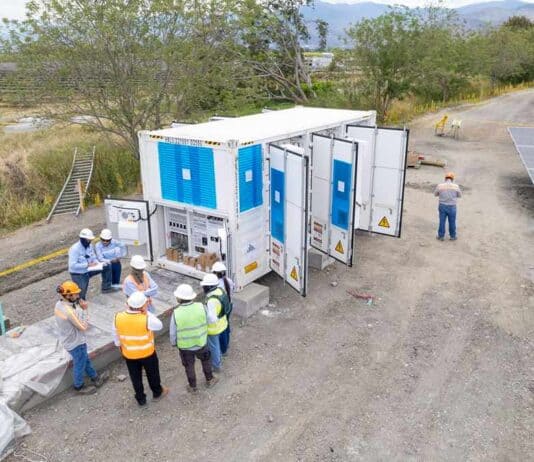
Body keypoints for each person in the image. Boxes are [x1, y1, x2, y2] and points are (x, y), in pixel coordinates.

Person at [113, 291, 169, 406]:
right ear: (143, 306)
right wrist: (146, 312)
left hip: (129, 354)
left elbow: (115, 334)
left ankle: (140, 398)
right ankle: (157, 392)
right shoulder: (146, 319)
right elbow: (159, 325)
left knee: (135, 377)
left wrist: (120, 346)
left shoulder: (118, 317)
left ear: (128, 304)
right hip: (147, 353)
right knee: (152, 374)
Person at [54, 280, 108, 395]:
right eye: (75, 294)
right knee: (79, 364)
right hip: (76, 343)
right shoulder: (69, 311)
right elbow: (83, 327)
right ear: (68, 295)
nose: (78, 296)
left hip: (69, 340)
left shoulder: (59, 304)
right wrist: (84, 309)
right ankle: (79, 386)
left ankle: (95, 377)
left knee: (84, 360)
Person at [170, 284, 219, 392]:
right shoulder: (201, 307)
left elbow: (173, 333)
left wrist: (174, 343)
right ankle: (210, 379)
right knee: (206, 361)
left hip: (185, 347)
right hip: (201, 342)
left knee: (189, 366)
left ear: (179, 298)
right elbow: (210, 319)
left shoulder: (176, 313)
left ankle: (193, 387)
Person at [68, 228, 117, 300]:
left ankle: (106, 288)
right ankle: (79, 303)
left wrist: (97, 263)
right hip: (79, 273)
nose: (89, 241)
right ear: (83, 239)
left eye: (90, 240)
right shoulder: (75, 249)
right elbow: (72, 265)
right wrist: (87, 265)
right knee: (81, 295)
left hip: (90, 269)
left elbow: (93, 257)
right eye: (88, 240)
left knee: (107, 265)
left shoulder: (89, 245)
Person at [200, 273, 228, 373]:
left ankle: (216, 366)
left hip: (213, 328)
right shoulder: (220, 291)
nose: (203, 288)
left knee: (214, 347)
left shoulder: (211, 300)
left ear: (209, 286)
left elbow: (211, 318)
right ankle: (220, 355)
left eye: (204, 286)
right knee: (218, 345)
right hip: (223, 323)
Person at [212, 262, 234, 356]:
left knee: (222, 328)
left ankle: (223, 348)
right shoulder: (228, 280)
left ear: (215, 273)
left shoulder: (215, 284)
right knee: (227, 324)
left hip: (221, 309)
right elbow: (232, 290)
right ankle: (227, 344)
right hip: (229, 305)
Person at [434, 172, 462, 241]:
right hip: (452, 206)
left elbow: (435, 194)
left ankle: (441, 236)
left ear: (445, 178)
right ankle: (452, 236)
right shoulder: (456, 186)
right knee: (452, 221)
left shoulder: (440, 186)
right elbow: (459, 195)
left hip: (442, 206)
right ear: (452, 179)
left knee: (442, 221)